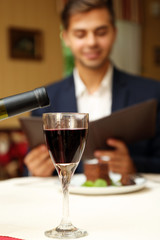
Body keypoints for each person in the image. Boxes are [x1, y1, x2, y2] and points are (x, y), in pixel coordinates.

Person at [24, 0, 160, 177]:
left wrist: (134, 166)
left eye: (101, 32)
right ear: (66, 38)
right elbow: (29, 169)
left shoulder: (151, 93)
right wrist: (34, 171)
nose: (91, 42)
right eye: (80, 34)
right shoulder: (44, 101)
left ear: (114, 33)